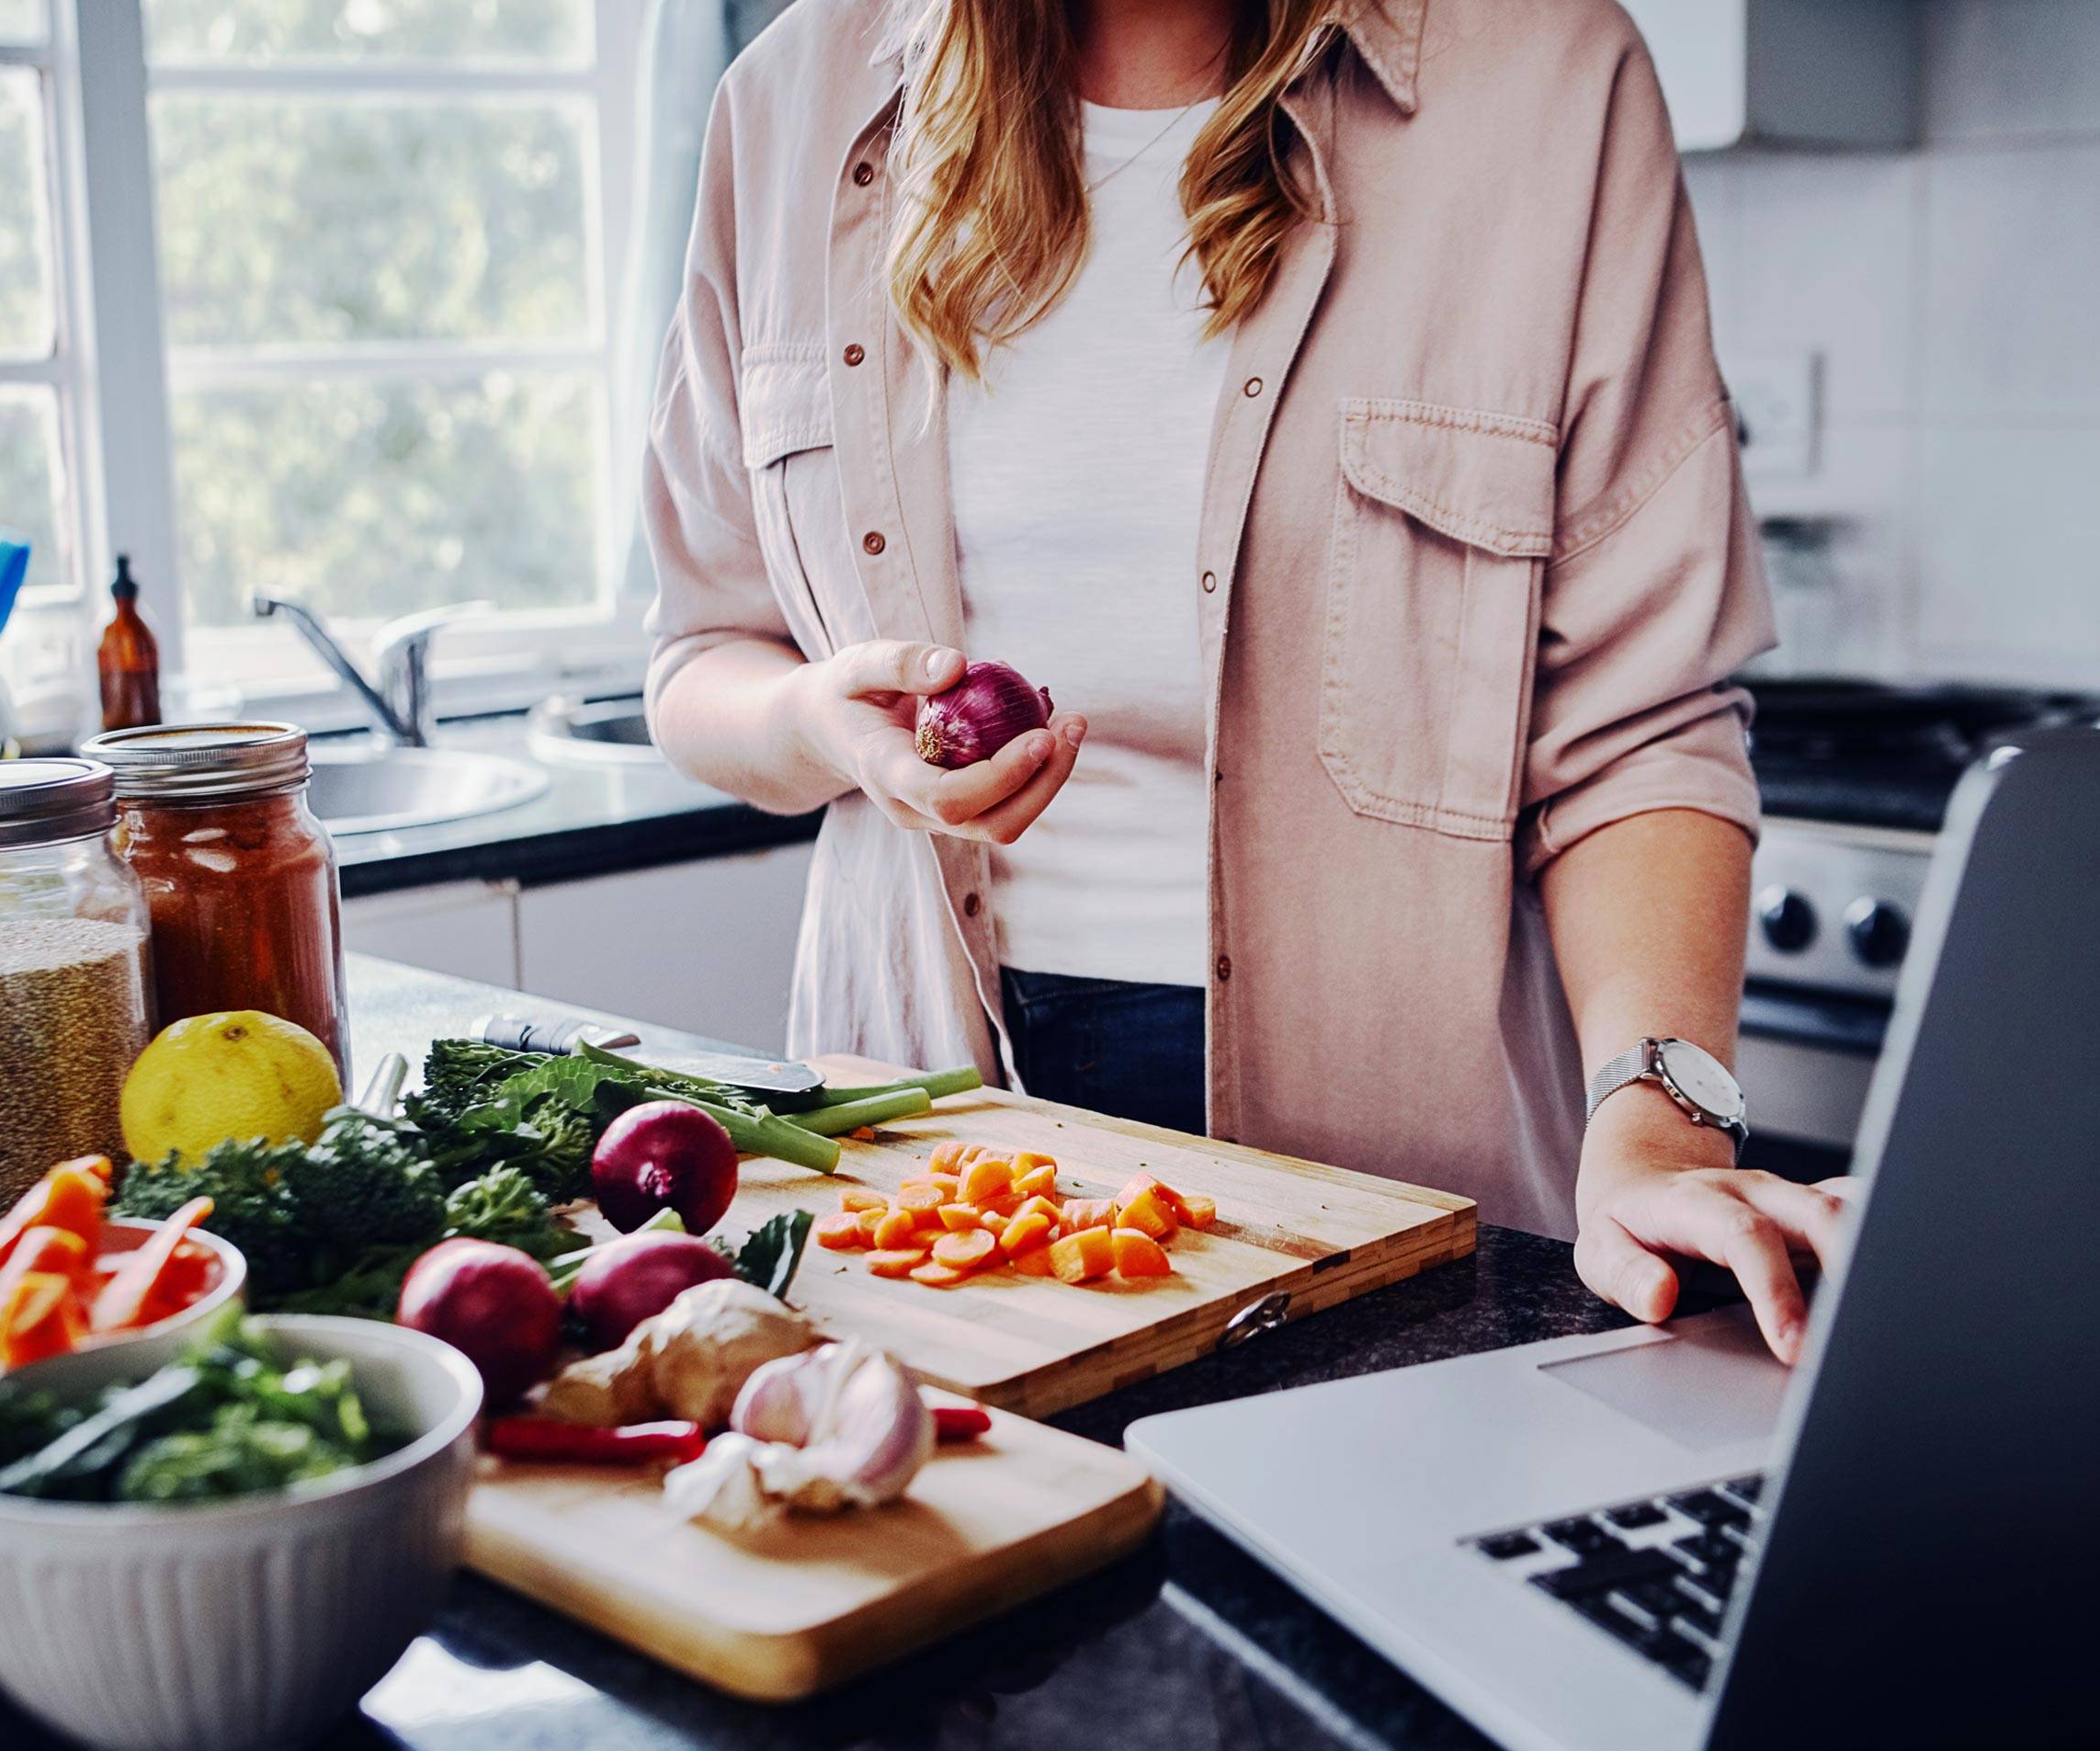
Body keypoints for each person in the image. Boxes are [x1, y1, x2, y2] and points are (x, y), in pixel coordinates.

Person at [641, 0, 1846, 1360]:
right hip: (931, 1162)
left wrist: (1655, 1129)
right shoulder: (789, 101)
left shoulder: (1551, 78)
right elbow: (701, 658)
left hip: (1398, 1186)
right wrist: (819, 723)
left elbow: (1643, 728)